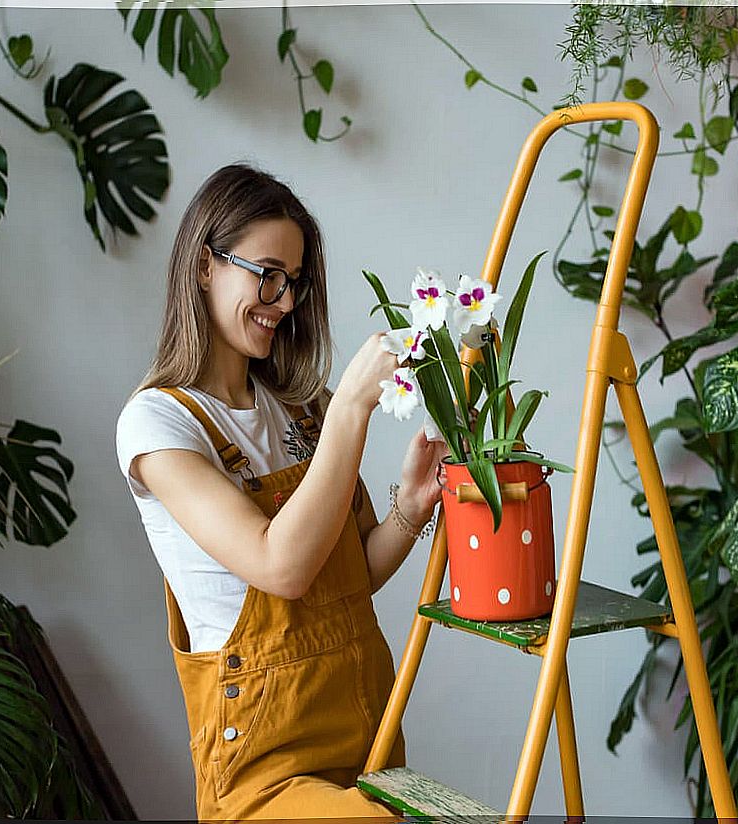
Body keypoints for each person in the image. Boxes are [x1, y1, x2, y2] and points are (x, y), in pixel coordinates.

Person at [115, 163, 446, 821]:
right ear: (206, 264)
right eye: (267, 274)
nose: (285, 301)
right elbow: (282, 568)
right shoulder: (158, 422)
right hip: (264, 771)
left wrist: (408, 511)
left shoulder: (300, 411)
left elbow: (349, 576)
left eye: (294, 283)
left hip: (367, 732)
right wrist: (353, 406)